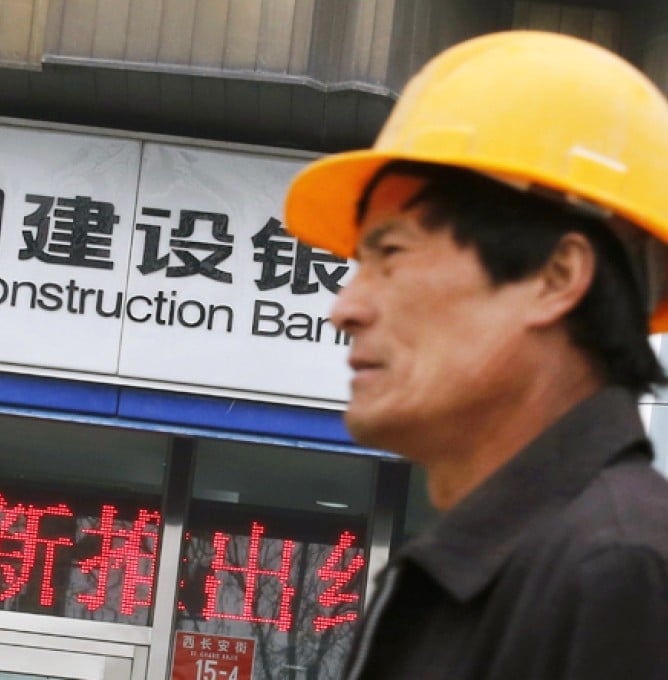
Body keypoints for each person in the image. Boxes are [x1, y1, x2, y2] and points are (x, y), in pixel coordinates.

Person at [284, 31, 668, 679]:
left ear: (555, 276)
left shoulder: (619, 572)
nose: (343, 308)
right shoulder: (486, 570)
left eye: (391, 256)